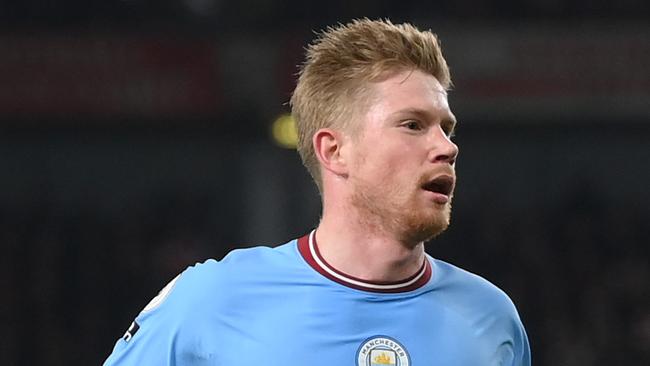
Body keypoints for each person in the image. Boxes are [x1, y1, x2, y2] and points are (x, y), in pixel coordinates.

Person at [104, 19, 530, 366]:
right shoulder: (212, 301)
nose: (447, 147)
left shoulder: (492, 320)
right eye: (413, 125)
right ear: (335, 150)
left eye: (446, 128)